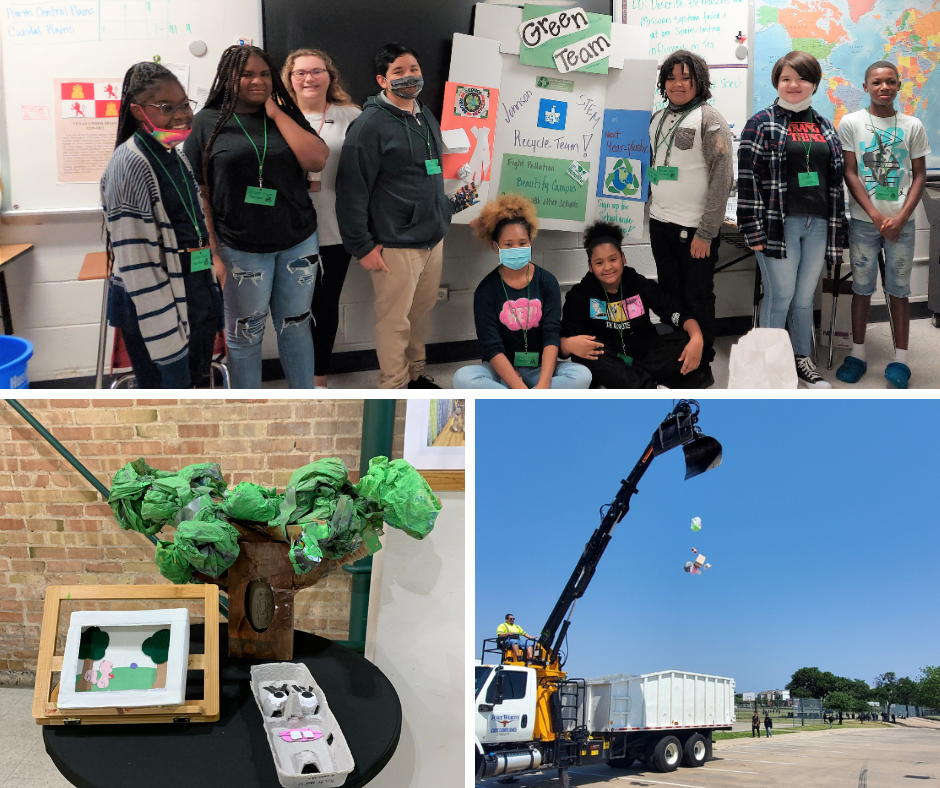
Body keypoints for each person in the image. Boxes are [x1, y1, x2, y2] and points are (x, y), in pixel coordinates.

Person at [184, 45, 329, 389]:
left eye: (264, 74)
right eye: (247, 74)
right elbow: (200, 194)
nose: (257, 81)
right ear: (228, 77)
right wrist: (213, 254)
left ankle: (303, 404)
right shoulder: (206, 122)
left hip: (297, 240)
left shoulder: (285, 114)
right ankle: (248, 410)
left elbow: (317, 160)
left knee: (295, 327)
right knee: (245, 335)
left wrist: (277, 114)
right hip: (240, 248)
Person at [336, 43, 452, 389]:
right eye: (398, 72)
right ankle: (395, 385)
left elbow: (430, 173)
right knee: (394, 321)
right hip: (395, 242)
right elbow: (352, 189)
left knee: (420, 314)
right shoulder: (369, 125)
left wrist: (443, 212)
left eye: (413, 69)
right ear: (381, 81)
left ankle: (416, 374)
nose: (408, 77)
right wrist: (362, 245)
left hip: (432, 237)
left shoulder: (424, 113)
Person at [101, 62, 222, 389]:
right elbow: (139, 269)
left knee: (195, 386)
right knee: (170, 398)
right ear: (139, 112)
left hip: (191, 290)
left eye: (185, 104)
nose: (182, 114)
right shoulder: (130, 164)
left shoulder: (173, 152)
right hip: (156, 312)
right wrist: (169, 352)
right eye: (168, 108)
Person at [738, 50, 847, 389]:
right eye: (785, 78)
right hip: (778, 224)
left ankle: (802, 360)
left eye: (800, 78)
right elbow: (747, 179)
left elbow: (834, 180)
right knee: (780, 295)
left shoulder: (824, 125)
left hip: (818, 224)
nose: (793, 84)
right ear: (777, 83)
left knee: (803, 299)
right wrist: (751, 227)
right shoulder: (761, 123)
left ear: (813, 82)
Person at [836, 61, 930, 389]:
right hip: (865, 222)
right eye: (877, 82)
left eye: (891, 82)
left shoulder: (913, 125)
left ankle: (901, 361)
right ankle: (857, 354)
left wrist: (901, 217)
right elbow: (849, 172)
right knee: (861, 289)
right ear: (865, 86)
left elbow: (920, 175)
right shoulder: (851, 122)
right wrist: (876, 216)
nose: (884, 88)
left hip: (902, 222)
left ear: (899, 85)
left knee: (899, 291)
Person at [647, 50, 734, 389]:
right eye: (671, 77)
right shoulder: (657, 119)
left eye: (686, 77)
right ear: (663, 82)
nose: (678, 84)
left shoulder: (710, 119)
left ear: (699, 81)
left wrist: (707, 232)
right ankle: (678, 354)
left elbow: (722, 178)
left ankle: (704, 362)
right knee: (670, 294)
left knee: (697, 295)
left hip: (694, 229)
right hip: (660, 222)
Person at [282, 48, 362, 389]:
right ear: (289, 80)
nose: (308, 78)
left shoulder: (352, 115)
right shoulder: (278, 116)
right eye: (300, 73)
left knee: (325, 307)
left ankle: (318, 380)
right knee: (292, 310)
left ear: (330, 76)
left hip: (334, 227)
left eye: (316, 71)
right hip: (287, 230)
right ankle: (296, 378)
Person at [452, 195, 592, 389]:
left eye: (522, 243)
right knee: (463, 377)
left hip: (540, 368)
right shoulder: (486, 289)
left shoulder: (547, 281)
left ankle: (519, 401)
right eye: (508, 244)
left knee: (581, 375)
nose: (516, 249)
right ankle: (529, 401)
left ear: (530, 242)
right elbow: (492, 347)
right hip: (502, 371)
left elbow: (551, 334)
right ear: (496, 247)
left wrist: (543, 384)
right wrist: (519, 387)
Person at [561, 221, 707, 388]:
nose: (608, 267)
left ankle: (624, 382)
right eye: (599, 263)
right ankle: (648, 388)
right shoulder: (580, 294)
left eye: (613, 259)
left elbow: (673, 308)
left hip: (643, 355)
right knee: (587, 355)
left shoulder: (637, 283)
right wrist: (569, 344)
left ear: (623, 258)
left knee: (690, 340)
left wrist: (697, 337)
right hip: (609, 358)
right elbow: (564, 341)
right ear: (590, 267)